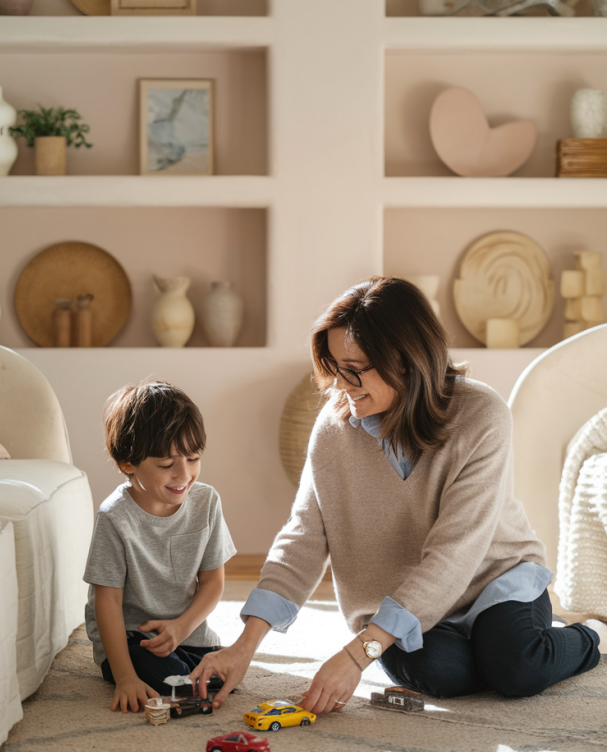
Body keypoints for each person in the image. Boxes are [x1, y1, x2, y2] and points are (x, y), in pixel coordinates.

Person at [191, 277, 601, 713]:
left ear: (406, 358)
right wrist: (245, 646)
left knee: (517, 669)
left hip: (492, 581)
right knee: (444, 675)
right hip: (398, 604)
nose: (341, 384)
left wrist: (356, 655)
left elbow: (456, 552)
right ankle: (485, 650)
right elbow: (304, 539)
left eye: (355, 368)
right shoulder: (333, 431)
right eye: (334, 366)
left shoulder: (482, 415)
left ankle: (591, 634)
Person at [83, 380, 236, 713]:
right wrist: (124, 678)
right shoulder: (114, 517)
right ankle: (152, 669)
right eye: (167, 465)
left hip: (186, 632)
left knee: (223, 676)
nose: (184, 474)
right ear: (128, 463)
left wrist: (181, 628)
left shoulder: (207, 502)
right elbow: (106, 602)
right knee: (176, 681)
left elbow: (213, 582)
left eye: (193, 459)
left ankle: (184, 665)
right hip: (131, 639)